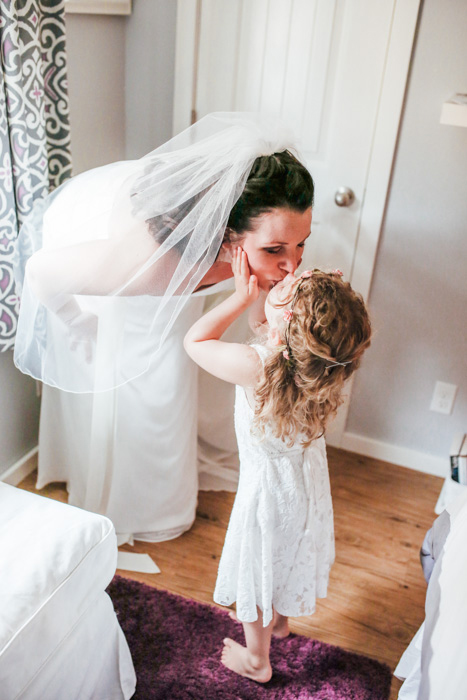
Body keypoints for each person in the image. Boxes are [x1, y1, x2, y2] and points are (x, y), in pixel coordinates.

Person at [13, 113, 315, 543]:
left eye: (301, 242)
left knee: (173, 372)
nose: (293, 264)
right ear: (229, 238)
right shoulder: (150, 263)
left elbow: (261, 307)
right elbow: (42, 273)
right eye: (275, 250)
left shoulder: (261, 236)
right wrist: (79, 324)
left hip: (180, 243)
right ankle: (130, 497)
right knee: (135, 376)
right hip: (96, 239)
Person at [184, 248, 372, 681]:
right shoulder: (318, 361)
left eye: (290, 288)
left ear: (285, 326)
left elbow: (194, 342)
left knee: (258, 569)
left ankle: (258, 660)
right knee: (284, 557)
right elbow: (266, 329)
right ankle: (281, 624)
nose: (289, 275)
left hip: (267, 494)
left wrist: (237, 296)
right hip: (304, 486)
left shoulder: (259, 365)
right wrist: (266, 297)